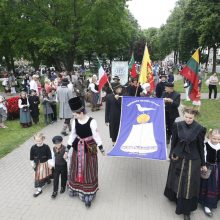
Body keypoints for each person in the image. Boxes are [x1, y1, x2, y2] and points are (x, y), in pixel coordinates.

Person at [164, 107, 207, 220]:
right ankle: (173, 196)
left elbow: (201, 147)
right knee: (175, 178)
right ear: (184, 116)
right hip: (178, 156)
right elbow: (174, 141)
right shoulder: (177, 125)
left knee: (188, 185)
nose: (188, 119)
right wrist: (171, 154)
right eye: (186, 117)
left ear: (195, 117)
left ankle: (185, 210)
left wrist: (203, 163)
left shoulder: (200, 129)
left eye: (191, 118)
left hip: (193, 160)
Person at [66, 97, 105, 208]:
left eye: (76, 114)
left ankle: (88, 193)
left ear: (81, 113)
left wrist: (101, 148)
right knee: (75, 167)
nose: (74, 116)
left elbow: (96, 136)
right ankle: (76, 189)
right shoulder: (74, 122)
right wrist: (67, 148)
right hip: (77, 148)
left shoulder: (92, 121)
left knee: (88, 169)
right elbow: (72, 135)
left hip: (89, 148)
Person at [199, 129, 220, 217]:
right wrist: (203, 165)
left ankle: (213, 201)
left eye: (218, 139)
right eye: (214, 138)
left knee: (216, 186)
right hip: (208, 168)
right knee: (208, 186)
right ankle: (207, 205)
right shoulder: (206, 145)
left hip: (218, 169)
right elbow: (203, 156)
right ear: (210, 136)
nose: (216, 141)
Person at [30, 133, 52, 197]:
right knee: (38, 177)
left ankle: (47, 179)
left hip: (45, 163)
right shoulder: (33, 147)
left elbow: (49, 155)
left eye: (39, 141)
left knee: (46, 173)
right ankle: (39, 189)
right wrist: (32, 163)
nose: (38, 142)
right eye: (36, 141)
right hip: (37, 164)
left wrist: (50, 163)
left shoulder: (46, 147)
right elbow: (31, 157)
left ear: (43, 139)